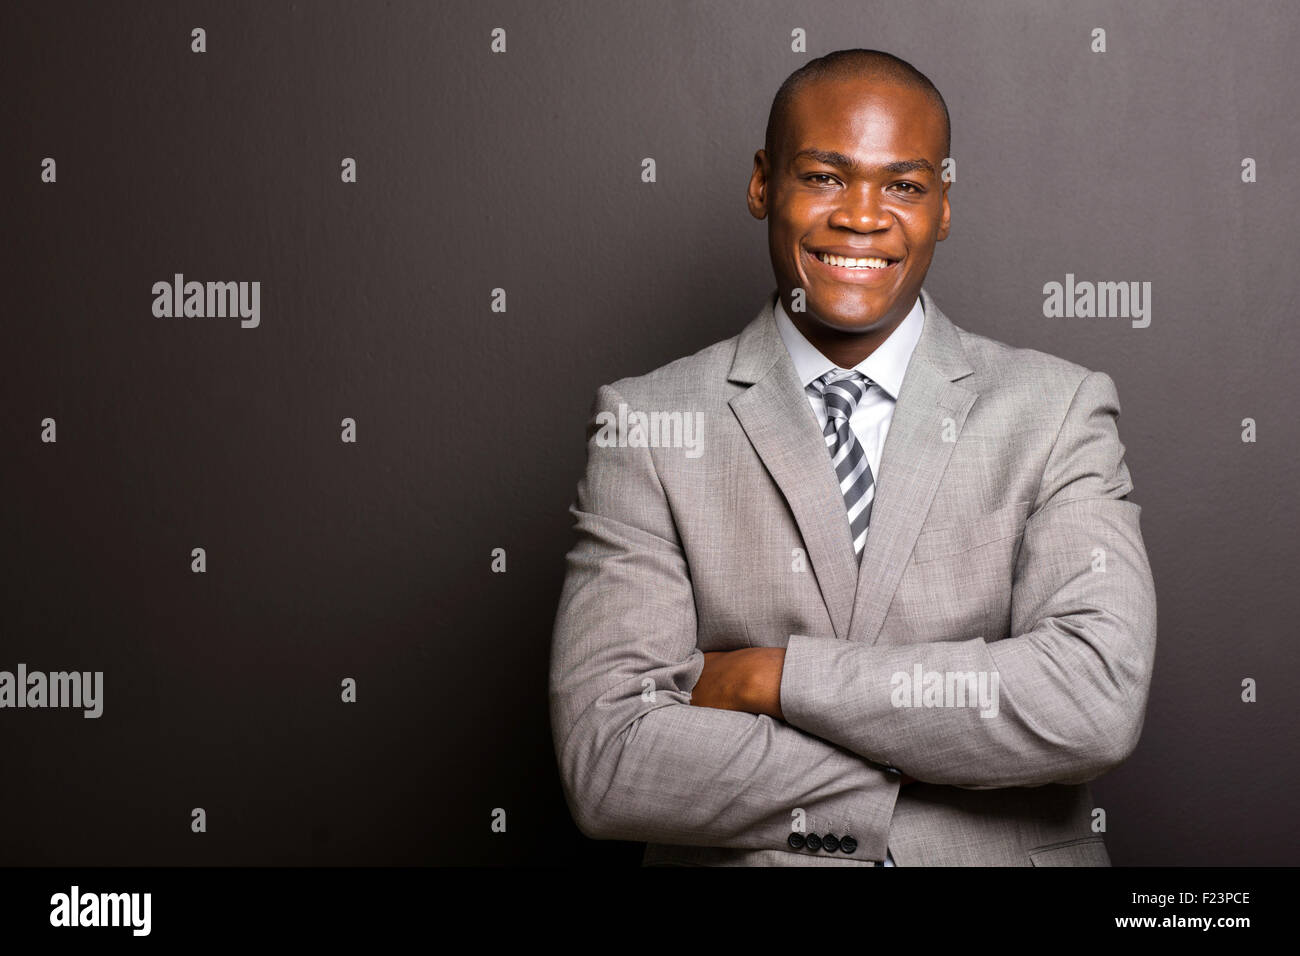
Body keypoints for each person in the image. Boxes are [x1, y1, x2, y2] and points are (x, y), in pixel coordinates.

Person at [548, 49, 1157, 866]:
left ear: (942, 205)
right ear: (764, 182)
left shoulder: (1058, 410)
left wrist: (777, 679)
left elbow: (1093, 700)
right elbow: (610, 759)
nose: (862, 217)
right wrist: (932, 765)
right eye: (826, 177)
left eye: (903, 185)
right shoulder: (649, 423)